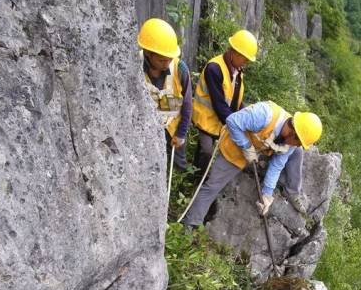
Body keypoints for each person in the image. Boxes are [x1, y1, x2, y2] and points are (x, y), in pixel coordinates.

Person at [182, 100, 323, 229]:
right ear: (293, 132)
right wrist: (246, 146)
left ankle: (290, 191)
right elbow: (232, 121)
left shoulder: (291, 142)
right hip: (233, 149)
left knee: (296, 154)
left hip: (257, 153)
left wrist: (267, 195)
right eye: (297, 142)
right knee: (213, 186)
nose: (296, 146)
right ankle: (190, 222)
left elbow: (276, 166)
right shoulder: (264, 115)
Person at [192, 29, 258, 175]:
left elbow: (236, 100)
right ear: (235, 52)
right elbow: (220, 104)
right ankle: (197, 180)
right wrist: (236, 126)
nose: (246, 62)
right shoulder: (214, 69)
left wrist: (247, 119)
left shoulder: (237, 71)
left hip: (222, 121)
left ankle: (199, 173)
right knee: (206, 151)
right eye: (245, 58)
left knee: (209, 152)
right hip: (206, 120)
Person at [138, 18, 193, 169]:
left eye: (169, 59)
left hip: (173, 127)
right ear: (149, 53)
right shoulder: (135, 66)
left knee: (178, 164)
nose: (167, 63)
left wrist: (181, 134)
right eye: (162, 60)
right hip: (149, 130)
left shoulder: (180, 69)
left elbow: (188, 105)